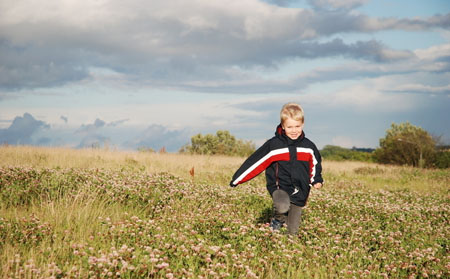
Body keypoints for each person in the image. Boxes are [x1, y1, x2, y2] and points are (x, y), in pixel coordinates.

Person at [230, 102, 323, 235]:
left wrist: (316, 180)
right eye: (290, 127)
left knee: (293, 231)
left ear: (303, 124)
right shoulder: (275, 145)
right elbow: (256, 161)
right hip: (280, 187)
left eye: (297, 126)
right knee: (282, 206)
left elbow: (315, 163)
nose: (294, 130)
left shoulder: (308, 146)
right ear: (283, 126)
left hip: (301, 189)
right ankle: (278, 220)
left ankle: (291, 247)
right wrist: (237, 179)